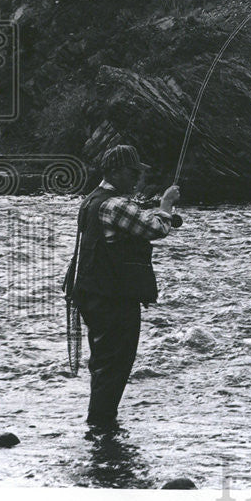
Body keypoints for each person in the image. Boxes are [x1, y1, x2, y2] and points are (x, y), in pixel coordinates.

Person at [63, 145, 180, 431]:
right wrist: (166, 206)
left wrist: (155, 211)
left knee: (103, 361)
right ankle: (102, 423)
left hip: (89, 294)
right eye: (132, 172)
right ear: (115, 172)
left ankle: (100, 421)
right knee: (117, 362)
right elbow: (155, 229)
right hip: (112, 298)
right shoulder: (116, 204)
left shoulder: (92, 200)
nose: (138, 178)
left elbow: (130, 221)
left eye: (139, 172)